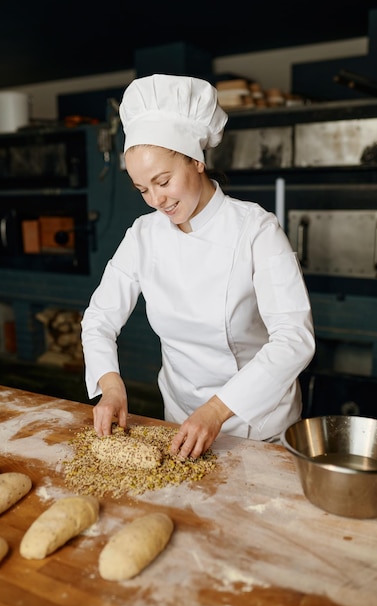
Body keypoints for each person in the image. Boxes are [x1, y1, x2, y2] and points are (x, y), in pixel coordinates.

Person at [81, 74, 315, 459]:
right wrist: (111, 386)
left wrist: (216, 410)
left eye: (163, 181)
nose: (156, 200)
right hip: (180, 422)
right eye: (143, 190)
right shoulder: (143, 234)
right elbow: (99, 319)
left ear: (196, 160)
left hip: (257, 424)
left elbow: (294, 339)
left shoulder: (255, 229)